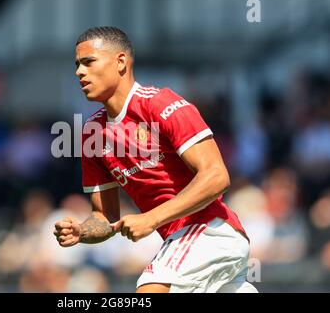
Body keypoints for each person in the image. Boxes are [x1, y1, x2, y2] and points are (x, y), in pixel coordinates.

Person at [53, 26, 258, 293]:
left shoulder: (161, 104)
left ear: (121, 62)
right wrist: (82, 231)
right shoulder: (93, 134)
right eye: (77, 65)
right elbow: (105, 216)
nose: (80, 72)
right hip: (190, 243)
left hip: (208, 230)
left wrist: (151, 219)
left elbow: (217, 176)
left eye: (89, 62)